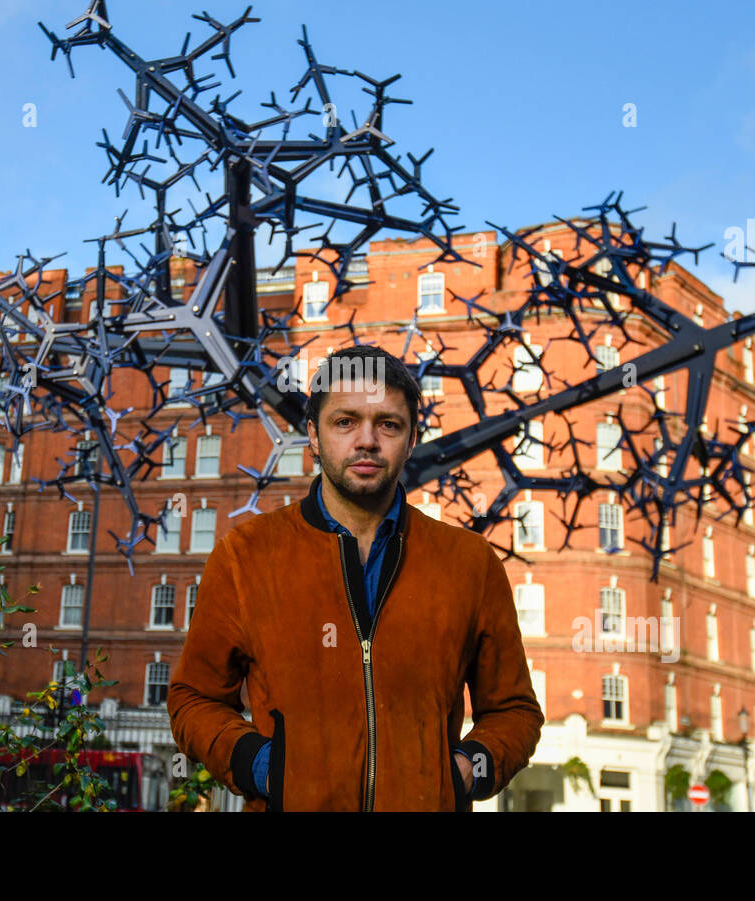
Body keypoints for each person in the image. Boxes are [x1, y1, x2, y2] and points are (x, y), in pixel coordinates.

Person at [168, 344, 543, 810]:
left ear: (410, 440)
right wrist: (264, 767)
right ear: (314, 435)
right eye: (345, 421)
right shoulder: (245, 556)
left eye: (388, 424)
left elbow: (514, 711)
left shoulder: (469, 560)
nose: (366, 440)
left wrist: (464, 770)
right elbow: (192, 699)